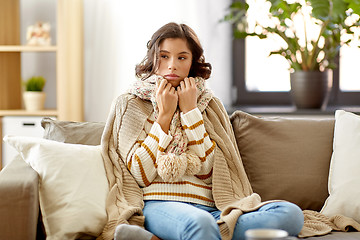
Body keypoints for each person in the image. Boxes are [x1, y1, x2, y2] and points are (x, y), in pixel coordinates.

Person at [99, 22, 304, 240]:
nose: (172, 66)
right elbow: (140, 175)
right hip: (159, 204)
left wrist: (190, 111)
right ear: (153, 58)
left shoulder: (210, 105)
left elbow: (208, 172)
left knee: (290, 214)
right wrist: (165, 116)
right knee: (200, 224)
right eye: (164, 56)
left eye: (181, 57)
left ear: (192, 62)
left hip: (213, 208)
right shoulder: (130, 103)